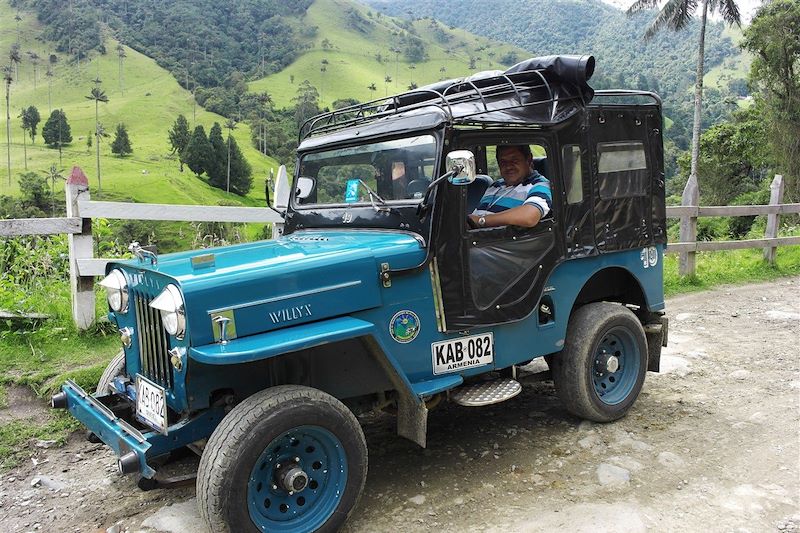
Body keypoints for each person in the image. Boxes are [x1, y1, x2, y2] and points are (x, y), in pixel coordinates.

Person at [468, 145, 552, 228]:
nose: (508, 166)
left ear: (529, 160)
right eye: (503, 162)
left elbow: (529, 217)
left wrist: (481, 221)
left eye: (514, 160)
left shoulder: (541, 185)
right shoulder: (495, 186)